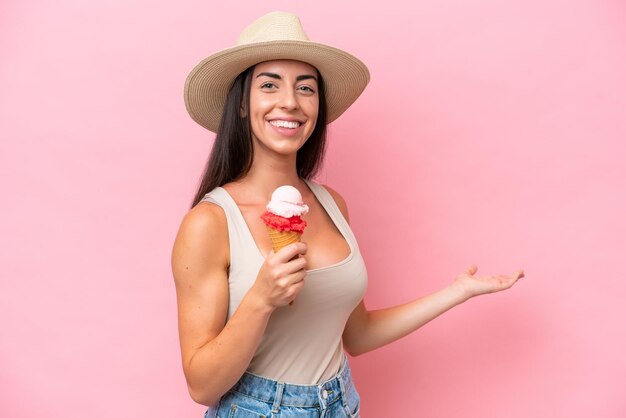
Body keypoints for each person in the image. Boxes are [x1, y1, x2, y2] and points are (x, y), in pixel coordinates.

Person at [171, 11, 524, 418]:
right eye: (269, 85)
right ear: (240, 105)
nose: (290, 101)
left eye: (306, 88)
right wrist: (260, 299)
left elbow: (357, 333)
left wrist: (456, 292)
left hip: (340, 403)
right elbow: (202, 386)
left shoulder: (332, 205)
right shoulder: (210, 223)